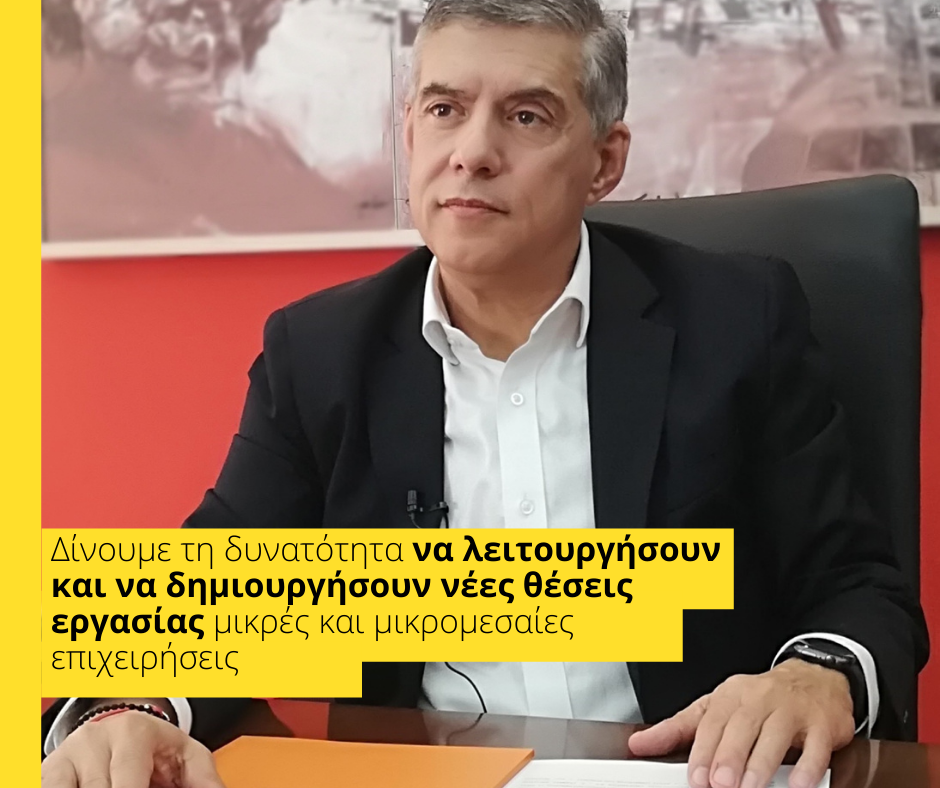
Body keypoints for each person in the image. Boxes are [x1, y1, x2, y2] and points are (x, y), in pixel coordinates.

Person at [41, 1, 928, 788]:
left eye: (526, 115)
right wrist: (125, 711)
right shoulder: (322, 355)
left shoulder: (736, 323)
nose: (472, 152)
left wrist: (817, 674)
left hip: (687, 772)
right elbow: (197, 606)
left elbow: (856, 586)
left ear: (604, 161)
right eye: (444, 109)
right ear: (410, 134)